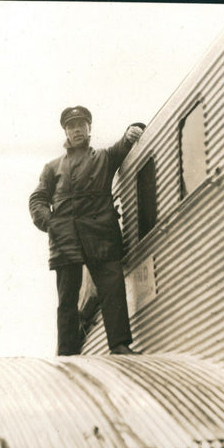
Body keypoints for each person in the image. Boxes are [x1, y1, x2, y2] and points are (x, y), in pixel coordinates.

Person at [29, 106, 144, 355]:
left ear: (89, 128)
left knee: (112, 288)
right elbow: (37, 199)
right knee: (67, 300)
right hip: (65, 238)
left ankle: (120, 344)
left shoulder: (104, 157)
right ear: (65, 131)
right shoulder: (52, 167)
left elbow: (123, 145)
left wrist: (131, 132)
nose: (77, 130)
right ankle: (67, 353)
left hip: (100, 234)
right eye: (71, 126)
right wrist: (51, 223)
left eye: (81, 124)